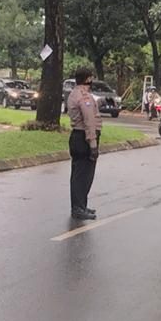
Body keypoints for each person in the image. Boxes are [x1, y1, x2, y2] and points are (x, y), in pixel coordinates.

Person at [66, 68, 102, 221]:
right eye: (91, 78)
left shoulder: (74, 93)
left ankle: (81, 205)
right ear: (88, 79)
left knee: (79, 174)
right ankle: (78, 208)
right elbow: (89, 121)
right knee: (83, 175)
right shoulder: (84, 96)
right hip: (84, 138)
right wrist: (93, 145)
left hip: (78, 136)